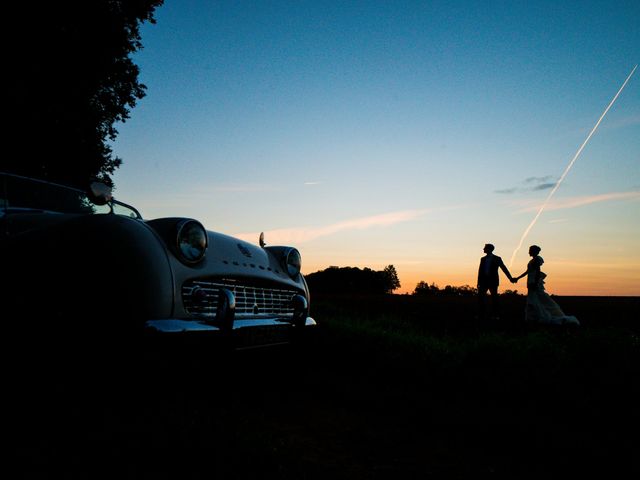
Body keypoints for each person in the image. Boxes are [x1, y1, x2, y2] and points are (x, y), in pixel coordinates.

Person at [513, 245, 579, 326]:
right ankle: (535, 317)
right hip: (531, 281)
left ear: (534, 251)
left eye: (530, 250)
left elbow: (537, 272)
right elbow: (528, 271)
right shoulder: (532, 260)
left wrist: (535, 283)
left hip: (534, 282)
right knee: (534, 299)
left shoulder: (537, 260)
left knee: (536, 299)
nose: (529, 252)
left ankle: (540, 317)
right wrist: (518, 278)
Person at [477, 243, 514, 323]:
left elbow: (503, 268)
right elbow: (480, 271)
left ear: (489, 249)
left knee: (494, 299)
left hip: (493, 281)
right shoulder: (482, 259)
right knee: (480, 298)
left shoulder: (497, 258)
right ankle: (481, 315)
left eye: (485, 248)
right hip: (483, 281)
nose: (483, 249)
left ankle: (496, 315)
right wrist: (478, 282)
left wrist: (510, 278)